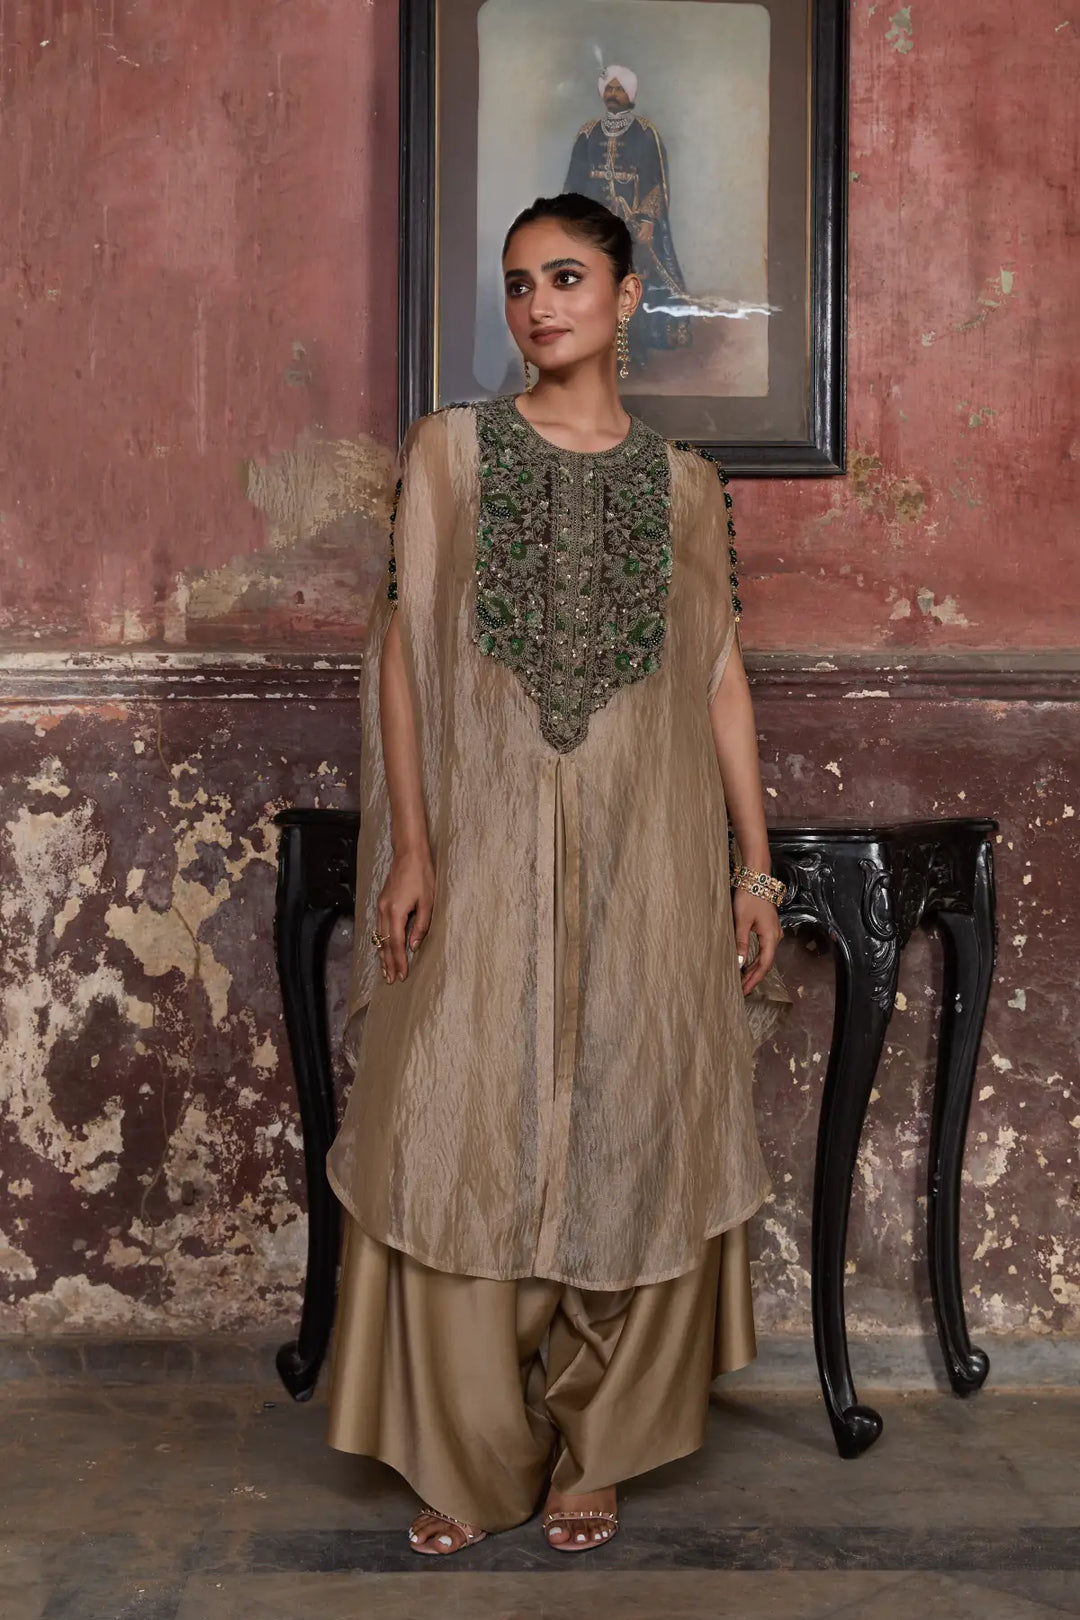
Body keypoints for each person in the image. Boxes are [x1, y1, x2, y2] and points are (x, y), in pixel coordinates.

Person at [325, 191, 788, 1556]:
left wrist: (753, 868)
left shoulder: (688, 483)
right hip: (482, 848)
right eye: (522, 284)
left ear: (632, 296)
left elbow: (717, 677)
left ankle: (598, 1448)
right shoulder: (451, 453)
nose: (539, 306)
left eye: (570, 277)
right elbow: (402, 662)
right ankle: (470, 1455)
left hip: (646, 856)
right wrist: (415, 845)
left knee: (636, 1105)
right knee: (460, 1108)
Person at [563, 64, 691, 365]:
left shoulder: (646, 133)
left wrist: (647, 220)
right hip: (594, 227)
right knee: (594, 284)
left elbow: (655, 181)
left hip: (632, 225)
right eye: (609, 88)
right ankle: (596, 349)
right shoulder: (587, 133)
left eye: (619, 89)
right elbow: (573, 183)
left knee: (631, 285)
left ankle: (634, 351)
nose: (613, 94)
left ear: (630, 94)